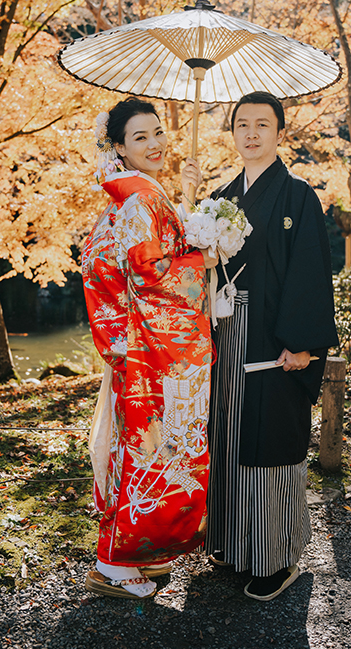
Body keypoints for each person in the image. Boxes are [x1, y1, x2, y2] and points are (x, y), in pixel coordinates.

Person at [203, 90, 339, 602]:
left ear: (281, 132)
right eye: (242, 124)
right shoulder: (219, 197)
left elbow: (310, 271)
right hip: (226, 334)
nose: (252, 132)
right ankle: (233, 543)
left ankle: (275, 558)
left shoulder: (297, 195)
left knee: (270, 444)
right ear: (232, 132)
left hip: (275, 341)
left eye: (263, 123)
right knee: (228, 438)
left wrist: (303, 343)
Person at [80, 97, 216, 600]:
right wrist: (201, 256)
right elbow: (152, 275)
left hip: (136, 348)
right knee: (147, 452)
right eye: (140, 138)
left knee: (143, 449)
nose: (155, 143)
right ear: (119, 147)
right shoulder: (139, 200)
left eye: (158, 133)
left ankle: (141, 551)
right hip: (152, 351)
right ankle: (112, 563)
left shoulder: (134, 197)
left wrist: (188, 205)